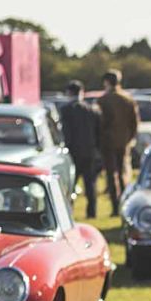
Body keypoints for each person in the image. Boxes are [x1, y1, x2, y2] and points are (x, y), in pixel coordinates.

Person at [58, 80, 103, 219]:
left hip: (73, 152)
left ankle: (68, 210)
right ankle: (92, 212)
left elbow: (66, 132)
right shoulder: (91, 110)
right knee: (90, 184)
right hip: (89, 151)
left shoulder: (66, 110)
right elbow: (98, 131)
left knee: (70, 184)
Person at [96, 69, 139, 216]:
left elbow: (100, 123)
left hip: (107, 142)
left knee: (111, 175)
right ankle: (125, 204)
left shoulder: (103, 100)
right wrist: (129, 138)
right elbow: (135, 123)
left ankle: (115, 207)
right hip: (124, 141)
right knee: (123, 174)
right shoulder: (128, 99)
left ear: (106, 82)